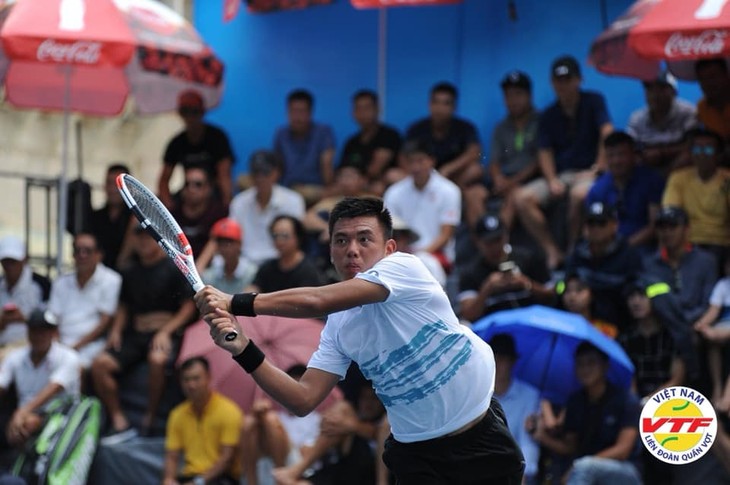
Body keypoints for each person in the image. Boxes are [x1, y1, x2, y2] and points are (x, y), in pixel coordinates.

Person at [195, 197, 525, 484]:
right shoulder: (339, 327)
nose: (352, 249)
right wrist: (242, 348)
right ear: (331, 252)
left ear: (389, 248)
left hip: (479, 430)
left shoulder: (405, 268)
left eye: (364, 239)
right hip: (419, 454)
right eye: (341, 241)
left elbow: (316, 301)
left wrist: (235, 302)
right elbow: (302, 399)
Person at [91, 226, 196, 438]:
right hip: (135, 335)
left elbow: (188, 307)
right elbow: (123, 307)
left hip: (165, 333)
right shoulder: (130, 271)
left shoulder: (174, 267)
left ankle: (150, 416)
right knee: (99, 364)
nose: (143, 242)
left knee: (157, 360)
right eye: (139, 237)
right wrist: (116, 331)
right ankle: (119, 419)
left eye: (147, 237)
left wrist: (166, 331)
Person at [514, 55, 613, 269]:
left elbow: (607, 132)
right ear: (552, 83)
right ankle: (552, 250)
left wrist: (598, 167)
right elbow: (544, 150)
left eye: (568, 79)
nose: (563, 85)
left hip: (589, 172)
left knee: (580, 195)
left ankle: (572, 251)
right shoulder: (549, 114)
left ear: (579, 80)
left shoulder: (594, 101)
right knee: (522, 198)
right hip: (562, 174)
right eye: (559, 80)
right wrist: (551, 180)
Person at [529, 342, 641, 485]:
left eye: (591, 363)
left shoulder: (626, 400)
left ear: (605, 366)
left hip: (625, 471)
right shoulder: (575, 401)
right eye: (580, 364)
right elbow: (570, 447)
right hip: (583, 471)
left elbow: (624, 449)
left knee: (584, 467)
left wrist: (581, 465)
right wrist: (542, 437)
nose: (585, 369)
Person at [464, 71, 539, 229]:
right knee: (474, 194)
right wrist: (499, 179)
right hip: (502, 181)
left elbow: (539, 162)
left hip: (528, 182)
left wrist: (512, 182)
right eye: (508, 96)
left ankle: (499, 242)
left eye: (518, 94)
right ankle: (483, 245)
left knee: (515, 195)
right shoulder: (501, 127)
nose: (513, 100)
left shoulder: (541, 122)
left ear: (530, 96)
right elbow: (494, 161)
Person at [0, 309, 81, 447]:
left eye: (44, 331)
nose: (39, 336)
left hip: (59, 414)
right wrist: (21, 413)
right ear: (28, 332)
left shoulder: (69, 357)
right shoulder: (16, 357)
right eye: (35, 331)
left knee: (27, 424)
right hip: (22, 413)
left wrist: (23, 412)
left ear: (53, 333)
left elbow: (53, 388)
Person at [383, 139, 461, 271]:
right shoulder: (394, 192)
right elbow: (390, 229)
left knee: (424, 263)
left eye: (420, 161)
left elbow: (446, 234)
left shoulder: (449, 191)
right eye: (411, 162)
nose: (416, 167)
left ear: (432, 161)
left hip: (436, 254)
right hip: (402, 253)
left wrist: (418, 254)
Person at [563, 202, 643, 332]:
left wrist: (592, 287)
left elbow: (633, 290)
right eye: (591, 223)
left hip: (619, 321)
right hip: (581, 318)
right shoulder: (578, 252)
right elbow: (566, 283)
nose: (595, 228)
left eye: (601, 223)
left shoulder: (628, 253)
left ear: (614, 225)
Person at [163, 356, 243, 485]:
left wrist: (199, 482)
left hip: (221, 478)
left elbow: (227, 458)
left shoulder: (229, 411)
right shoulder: (177, 414)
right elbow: (172, 456)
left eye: (196, 378)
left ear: (208, 378)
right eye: (186, 380)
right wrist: (169, 479)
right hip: (189, 476)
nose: (191, 385)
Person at [458, 215, 551, 323]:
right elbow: (468, 315)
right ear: (478, 242)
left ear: (506, 235)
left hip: (531, 322)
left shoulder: (529, 258)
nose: (494, 247)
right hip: (493, 330)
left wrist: (527, 284)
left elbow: (552, 296)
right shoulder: (470, 272)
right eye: (488, 242)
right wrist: (487, 289)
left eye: (498, 239)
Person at [48, 233, 122, 369]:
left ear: (99, 255)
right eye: (78, 250)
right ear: (72, 254)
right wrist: (57, 346)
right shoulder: (60, 282)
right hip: (60, 344)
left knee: (74, 366)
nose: (82, 255)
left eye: (87, 251)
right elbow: (53, 319)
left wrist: (74, 348)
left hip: (92, 345)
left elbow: (104, 322)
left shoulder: (112, 280)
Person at [585, 131, 665, 250]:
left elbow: (654, 226)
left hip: (643, 251)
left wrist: (623, 247)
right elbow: (589, 227)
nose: (616, 161)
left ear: (633, 155)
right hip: (606, 250)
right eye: (611, 156)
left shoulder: (651, 181)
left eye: (621, 154)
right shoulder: (598, 188)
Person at [661, 128, 730, 261]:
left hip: (721, 244)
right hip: (688, 244)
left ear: (719, 154)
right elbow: (671, 213)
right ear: (690, 153)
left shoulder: (727, 179)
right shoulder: (678, 178)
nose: (702, 155)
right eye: (697, 150)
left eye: (708, 150)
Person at [158, 90, 235, 208]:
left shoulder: (217, 138)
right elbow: (164, 180)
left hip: (214, 195)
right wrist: (168, 207)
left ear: (202, 113)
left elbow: (224, 175)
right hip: (188, 195)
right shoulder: (177, 142)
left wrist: (227, 204)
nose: (190, 117)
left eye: (194, 112)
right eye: (185, 112)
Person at [229, 150, 306, 266]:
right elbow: (231, 238)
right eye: (256, 173)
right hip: (245, 265)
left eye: (265, 172)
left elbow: (296, 241)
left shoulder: (293, 201)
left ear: (276, 173)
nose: (260, 178)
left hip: (280, 263)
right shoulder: (239, 202)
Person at [643, 206, 717, 325]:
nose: (667, 232)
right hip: (662, 326)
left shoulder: (706, 261)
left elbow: (708, 303)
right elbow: (649, 301)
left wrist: (682, 322)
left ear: (686, 229)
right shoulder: (649, 264)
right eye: (662, 227)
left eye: (673, 226)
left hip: (695, 326)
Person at [405, 82, 482, 188]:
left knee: (475, 170)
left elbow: (474, 152)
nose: (439, 108)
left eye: (445, 103)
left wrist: (448, 169)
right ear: (429, 104)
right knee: (394, 174)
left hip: (453, 176)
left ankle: (452, 193)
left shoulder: (465, 127)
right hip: (422, 177)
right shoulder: (417, 128)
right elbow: (403, 156)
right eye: (435, 102)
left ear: (454, 107)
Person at [489, 334, 540, 485]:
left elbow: (528, 441)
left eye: (502, 359)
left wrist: (522, 473)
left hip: (515, 468)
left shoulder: (530, 395)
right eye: (494, 358)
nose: (498, 363)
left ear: (512, 362)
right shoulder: (477, 393)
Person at [626, 71, 697, 174]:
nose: (655, 94)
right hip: (647, 168)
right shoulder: (637, 118)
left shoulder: (688, 112)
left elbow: (693, 145)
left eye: (661, 88)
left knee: (688, 156)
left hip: (681, 169)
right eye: (650, 89)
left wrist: (661, 153)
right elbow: (629, 147)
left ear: (674, 92)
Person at [273, 89, 336, 205]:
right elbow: (277, 166)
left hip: (315, 189)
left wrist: (330, 189)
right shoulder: (281, 134)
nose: (297, 117)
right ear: (287, 112)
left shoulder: (323, 132)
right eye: (293, 111)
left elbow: (327, 164)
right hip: (288, 188)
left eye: (301, 111)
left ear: (310, 112)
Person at [340, 90, 403, 195]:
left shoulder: (389, 135)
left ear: (377, 109)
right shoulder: (351, 142)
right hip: (352, 189)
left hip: (381, 189)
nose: (363, 113)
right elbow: (344, 169)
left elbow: (375, 170)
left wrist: (359, 181)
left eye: (367, 108)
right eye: (358, 109)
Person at [245, 215, 325, 294]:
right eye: (275, 236)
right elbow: (254, 287)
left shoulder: (310, 271)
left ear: (298, 237)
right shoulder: (267, 268)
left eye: (284, 236)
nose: (279, 241)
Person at [694, 256, 730, 413]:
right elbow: (713, 311)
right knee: (711, 340)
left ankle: (727, 397)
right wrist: (701, 324)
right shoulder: (723, 285)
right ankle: (717, 388)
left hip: (725, 330)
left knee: (715, 335)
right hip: (723, 325)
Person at [0, 236, 45, 360]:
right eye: (6, 261)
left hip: (29, 347)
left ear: (24, 259)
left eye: (13, 261)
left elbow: (49, 322)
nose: (9, 266)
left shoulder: (42, 284)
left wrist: (24, 319)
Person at [170, 165, 228, 258]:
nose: (191, 189)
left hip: (209, 268)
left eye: (198, 184)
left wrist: (198, 269)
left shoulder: (219, 213)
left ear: (209, 188)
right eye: (187, 184)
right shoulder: (173, 213)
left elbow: (217, 243)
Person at [88, 163, 136, 271]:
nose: (113, 189)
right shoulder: (95, 217)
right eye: (109, 183)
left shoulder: (136, 218)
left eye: (118, 184)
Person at [197, 218, 258, 294]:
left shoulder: (252, 273)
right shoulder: (210, 275)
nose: (225, 248)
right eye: (221, 244)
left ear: (239, 244)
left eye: (229, 243)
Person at [695, 58, 730, 142]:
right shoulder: (702, 107)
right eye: (702, 79)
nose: (708, 83)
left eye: (712, 77)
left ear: (726, 76)